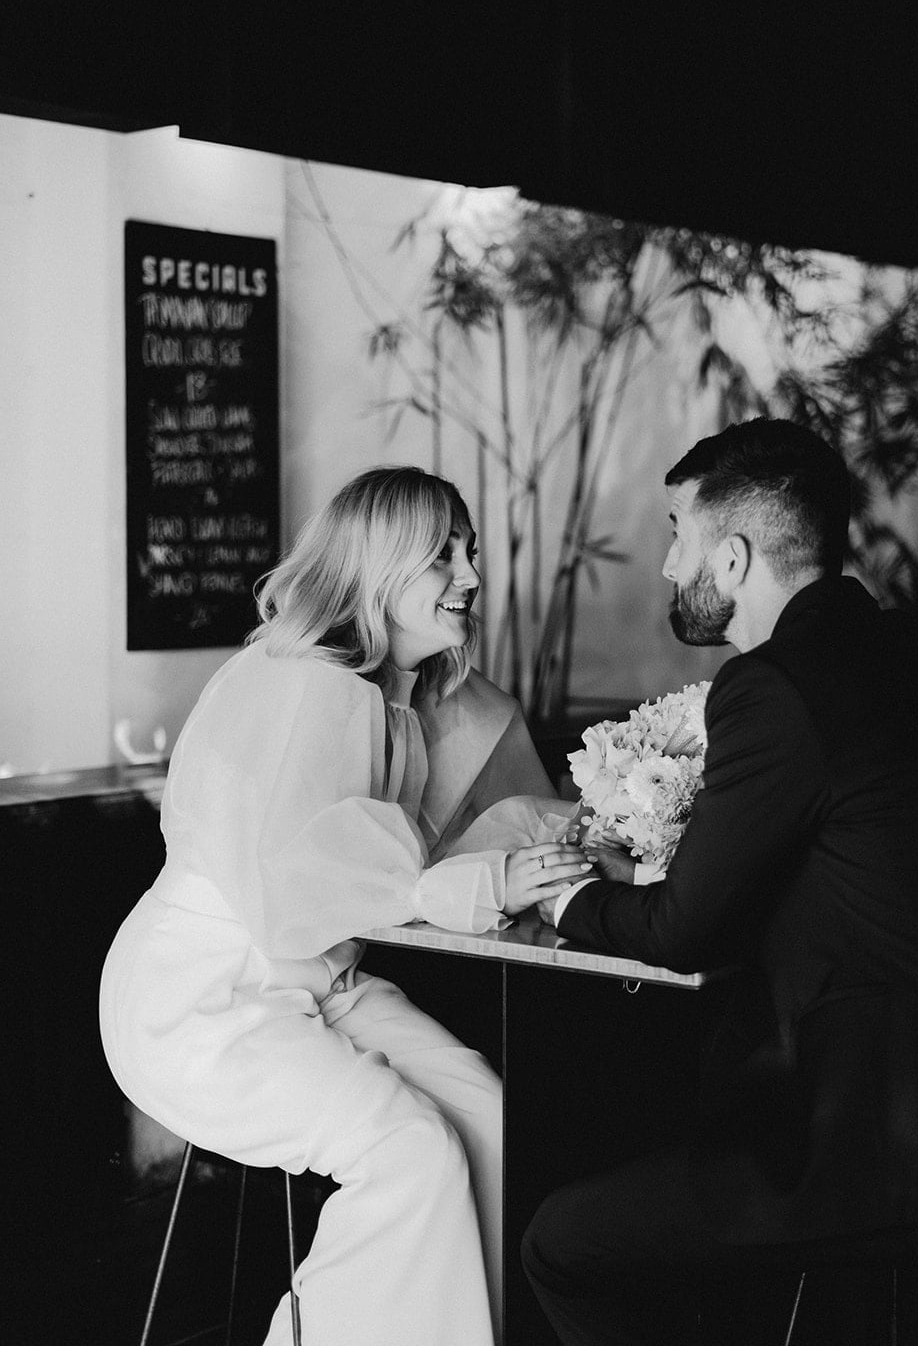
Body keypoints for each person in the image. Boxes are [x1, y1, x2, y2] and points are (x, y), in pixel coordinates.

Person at [522, 417, 918, 1346]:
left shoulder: (773, 686)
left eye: (676, 536)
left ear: (730, 558)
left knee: (562, 1243)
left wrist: (561, 894)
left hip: (893, 1144)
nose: (667, 565)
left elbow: (681, 933)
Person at [99, 466, 590, 1346]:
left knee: (483, 1116)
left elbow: (400, 863)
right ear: (377, 567)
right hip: (207, 999)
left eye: (469, 551)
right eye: (441, 556)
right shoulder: (307, 688)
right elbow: (302, 887)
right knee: (412, 1150)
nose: (471, 576)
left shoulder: (386, 700)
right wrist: (490, 882)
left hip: (314, 978)